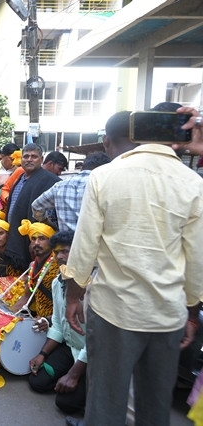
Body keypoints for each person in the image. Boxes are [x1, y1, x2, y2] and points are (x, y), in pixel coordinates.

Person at [61, 110, 203, 426]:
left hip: (114, 310)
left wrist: (73, 298)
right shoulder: (193, 184)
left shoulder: (105, 176)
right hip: (167, 314)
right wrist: (191, 313)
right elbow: (196, 260)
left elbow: (84, 249)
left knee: (105, 406)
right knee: (154, 407)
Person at [28, 230, 86, 416]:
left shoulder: (92, 286)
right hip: (71, 347)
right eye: (56, 252)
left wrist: (74, 373)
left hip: (93, 354)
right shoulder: (57, 282)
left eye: (66, 251)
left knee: (65, 403)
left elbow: (98, 338)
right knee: (37, 382)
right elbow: (59, 326)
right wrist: (42, 354)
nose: (60, 256)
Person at [4, 143, 60, 272]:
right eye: (26, 156)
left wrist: (36, 238)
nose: (29, 159)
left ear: (41, 158)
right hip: (15, 236)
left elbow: (53, 216)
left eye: (34, 156)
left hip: (36, 242)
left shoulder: (51, 181)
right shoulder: (19, 178)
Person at [31, 152, 110, 232]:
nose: (60, 173)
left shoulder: (60, 186)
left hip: (65, 242)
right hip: (93, 242)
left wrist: (47, 222)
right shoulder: (104, 186)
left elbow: (36, 206)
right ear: (104, 169)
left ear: (83, 167)